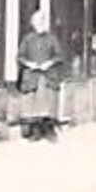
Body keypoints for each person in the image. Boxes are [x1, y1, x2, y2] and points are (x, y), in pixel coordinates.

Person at [16, 11, 63, 142]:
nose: (40, 24)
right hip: (32, 75)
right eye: (37, 21)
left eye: (42, 21)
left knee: (48, 100)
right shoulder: (28, 39)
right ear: (33, 23)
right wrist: (30, 64)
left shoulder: (52, 38)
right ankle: (35, 130)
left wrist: (49, 63)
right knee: (33, 102)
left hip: (47, 75)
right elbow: (20, 57)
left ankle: (49, 130)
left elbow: (59, 56)